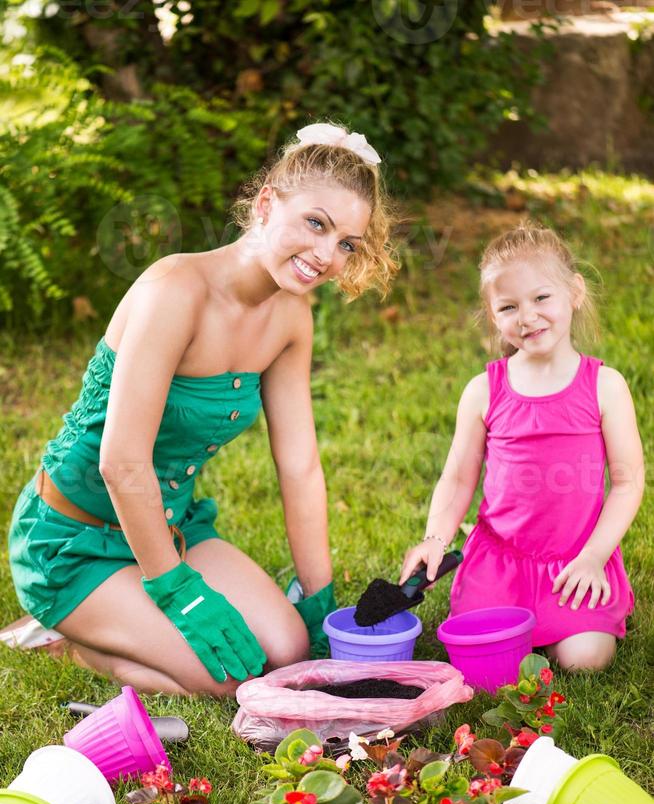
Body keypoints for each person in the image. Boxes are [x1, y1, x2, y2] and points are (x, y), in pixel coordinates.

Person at [6, 122, 399, 696]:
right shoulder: (174, 290)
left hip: (171, 527)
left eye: (346, 244)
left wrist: (319, 599)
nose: (325, 255)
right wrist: (176, 589)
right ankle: (75, 640)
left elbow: (299, 466)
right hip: (73, 539)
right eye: (316, 223)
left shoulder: (291, 317)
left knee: (287, 650)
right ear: (267, 204)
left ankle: (130, 616)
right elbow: (121, 461)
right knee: (232, 676)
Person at [399, 223, 643, 671]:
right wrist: (436, 537)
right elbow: (457, 478)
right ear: (494, 316)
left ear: (575, 292)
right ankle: (519, 624)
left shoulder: (605, 386)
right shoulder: (484, 390)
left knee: (585, 659)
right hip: (500, 562)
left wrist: (594, 557)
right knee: (477, 653)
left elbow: (628, 484)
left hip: (576, 558)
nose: (527, 317)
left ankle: (561, 625)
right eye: (509, 307)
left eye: (541, 298)